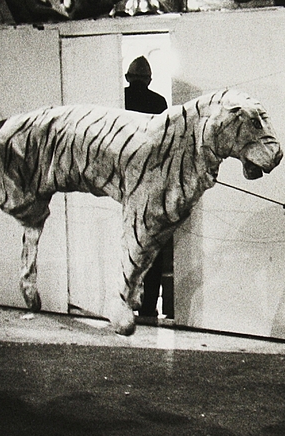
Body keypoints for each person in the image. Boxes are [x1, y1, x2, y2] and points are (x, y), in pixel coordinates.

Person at [123, 56, 174, 320]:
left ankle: (125, 299)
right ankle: (148, 305)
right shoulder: (159, 102)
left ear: (127, 78)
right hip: (152, 182)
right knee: (152, 243)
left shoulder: (118, 97)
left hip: (123, 182)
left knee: (125, 242)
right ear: (150, 80)